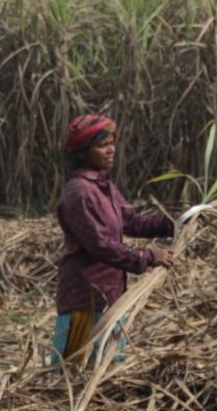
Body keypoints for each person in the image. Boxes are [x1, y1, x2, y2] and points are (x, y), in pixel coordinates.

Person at [51, 112, 175, 366]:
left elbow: (132, 221)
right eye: (102, 145)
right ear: (82, 152)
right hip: (85, 297)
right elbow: (102, 245)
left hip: (109, 295)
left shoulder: (103, 185)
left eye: (111, 143)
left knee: (107, 371)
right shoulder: (79, 193)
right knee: (73, 375)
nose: (111, 150)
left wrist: (175, 223)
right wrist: (148, 256)